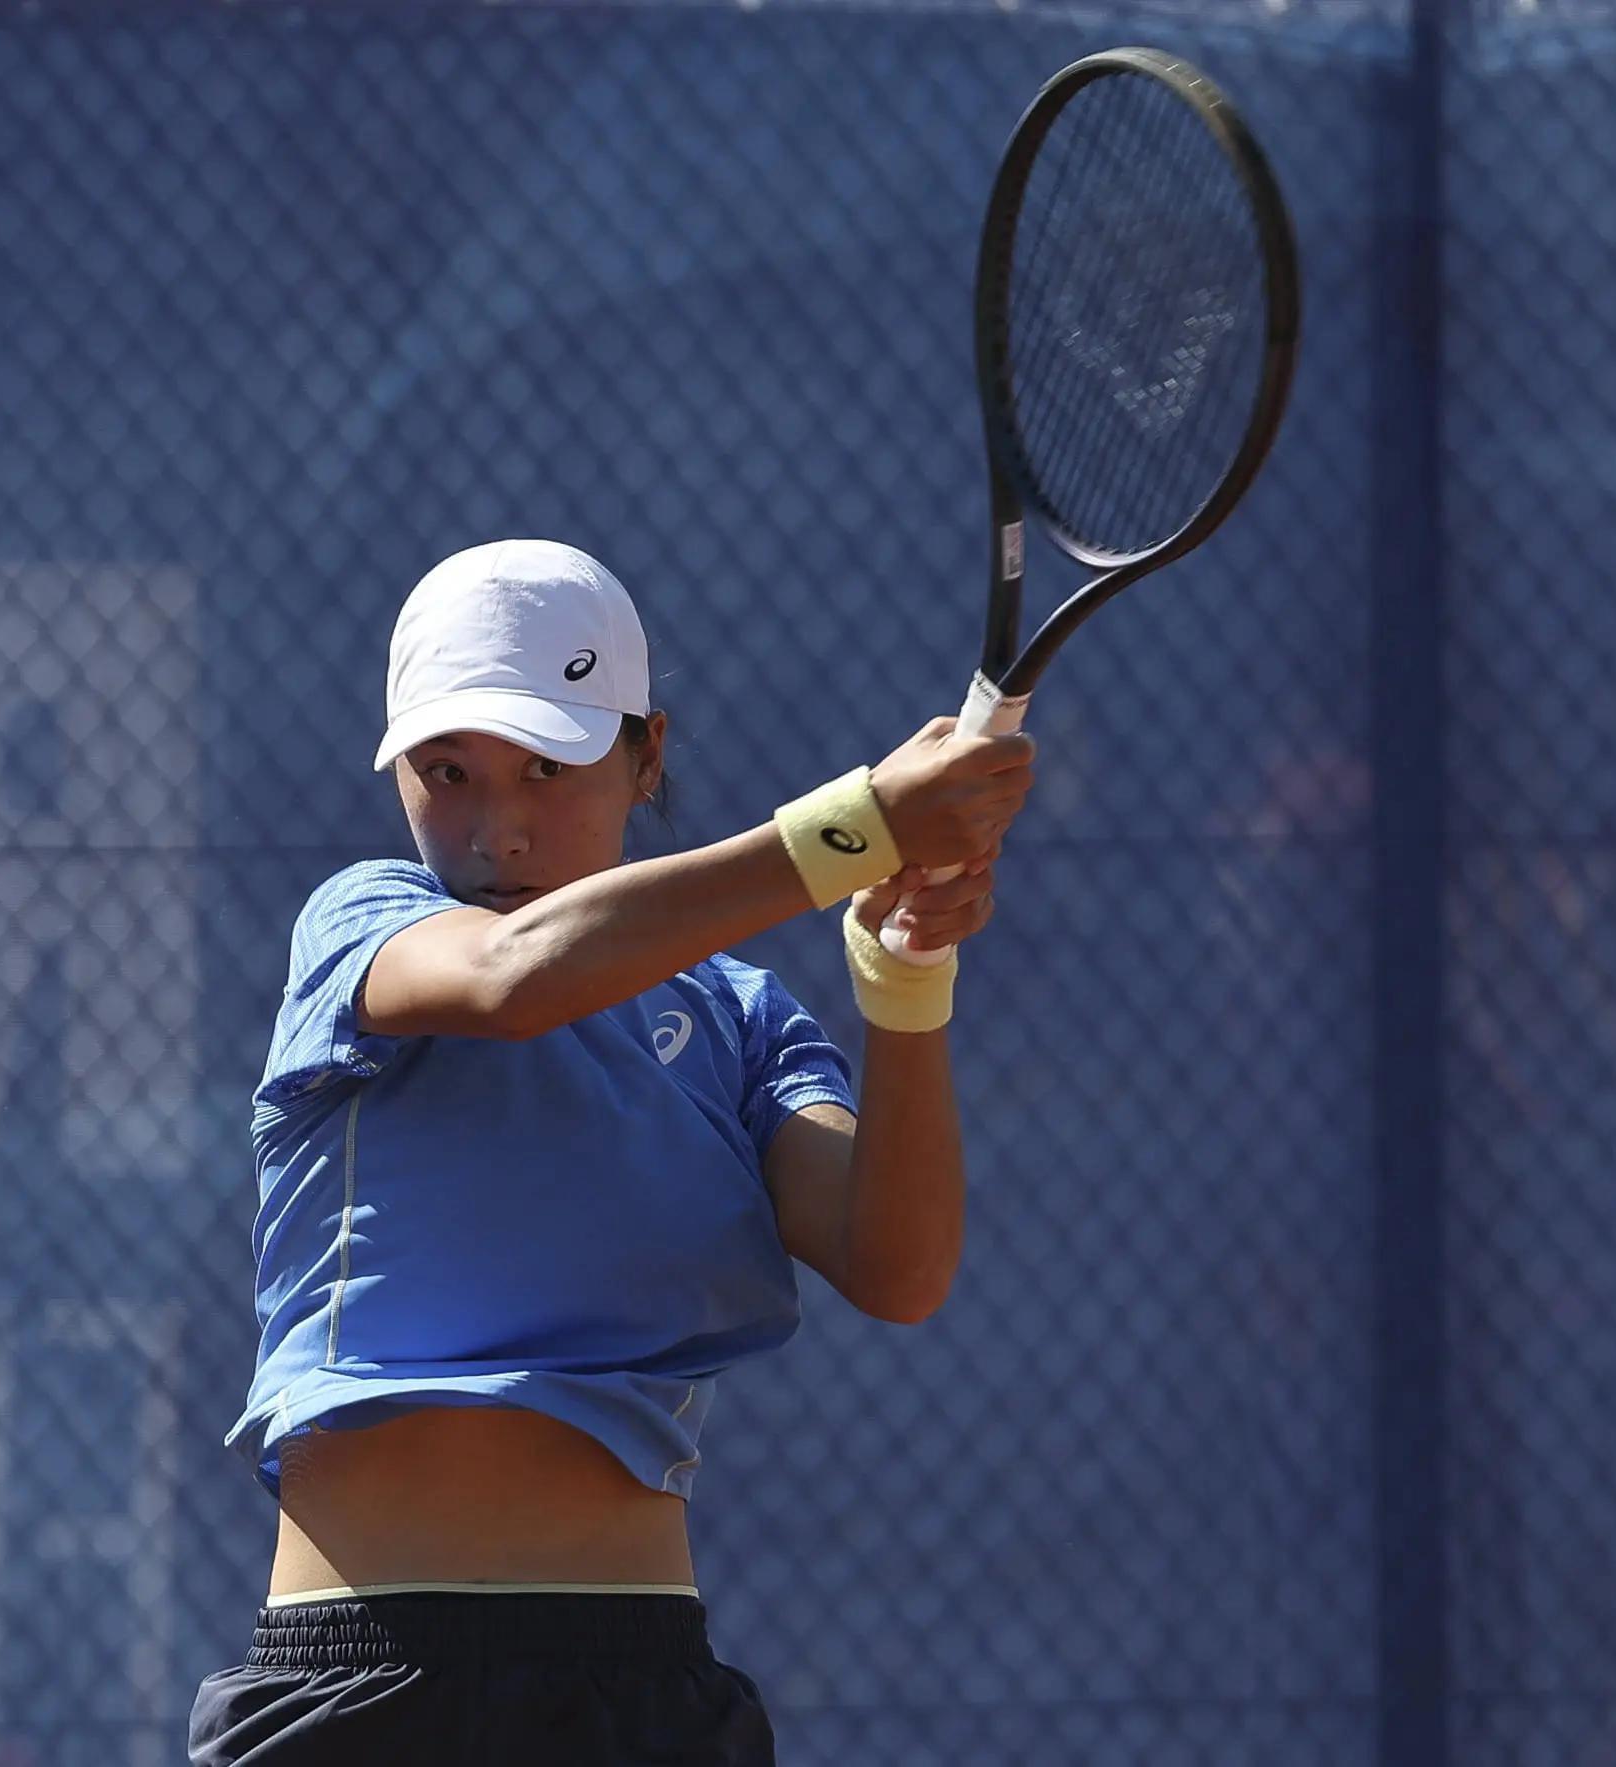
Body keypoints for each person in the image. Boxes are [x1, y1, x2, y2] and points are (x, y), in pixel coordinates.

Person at [187, 539, 1034, 1764]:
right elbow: (512, 978)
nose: (499, 829)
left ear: (648, 756)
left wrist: (905, 974)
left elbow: (895, 1266)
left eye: (548, 766)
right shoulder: (364, 926)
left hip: (639, 1697)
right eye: (448, 772)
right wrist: (851, 831)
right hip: (356, 1691)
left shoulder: (740, 1021)